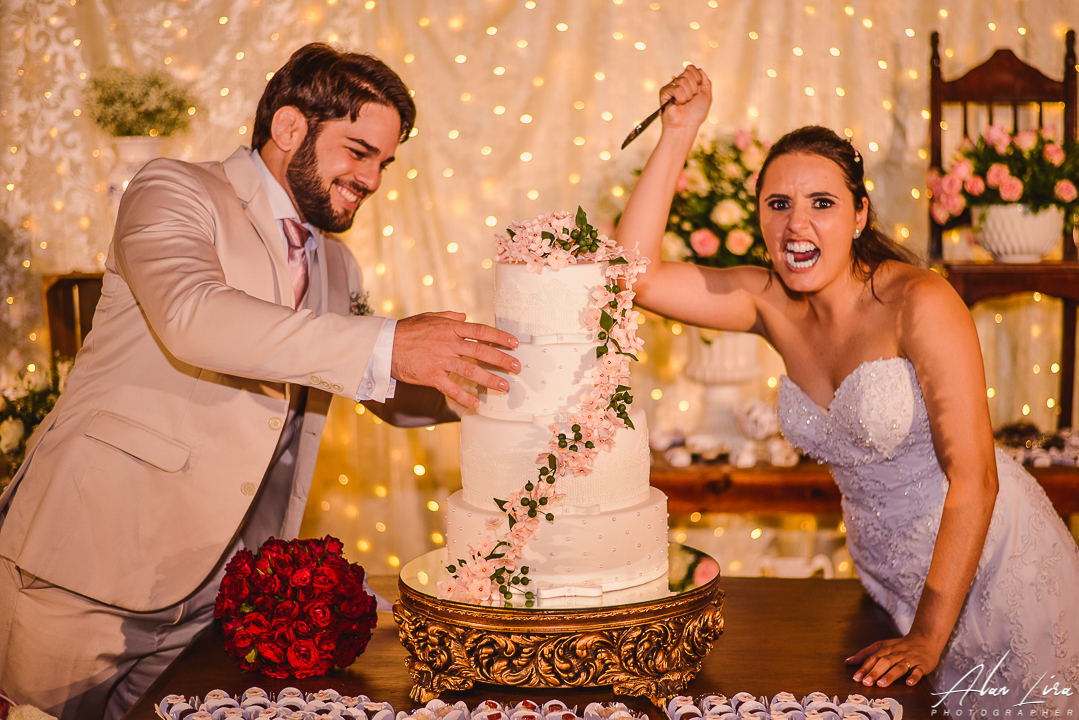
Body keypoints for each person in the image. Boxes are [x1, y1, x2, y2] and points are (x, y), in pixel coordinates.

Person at [0, 43, 521, 720]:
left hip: (213, 594)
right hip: (87, 564)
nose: (372, 179)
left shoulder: (337, 263)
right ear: (289, 126)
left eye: (384, 163)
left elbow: (367, 377)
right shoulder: (174, 190)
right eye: (358, 151)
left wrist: (508, 387)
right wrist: (391, 342)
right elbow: (192, 316)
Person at [618, 65, 1079, 713]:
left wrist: (928, 636)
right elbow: (633, 276)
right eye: (778, 205)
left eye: (822, 203)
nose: (796, 224)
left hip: (993, 569)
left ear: (860, 213)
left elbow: (974, 478)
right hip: (887, 580)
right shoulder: (767, 301)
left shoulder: (920, 301)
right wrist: (678, 131)